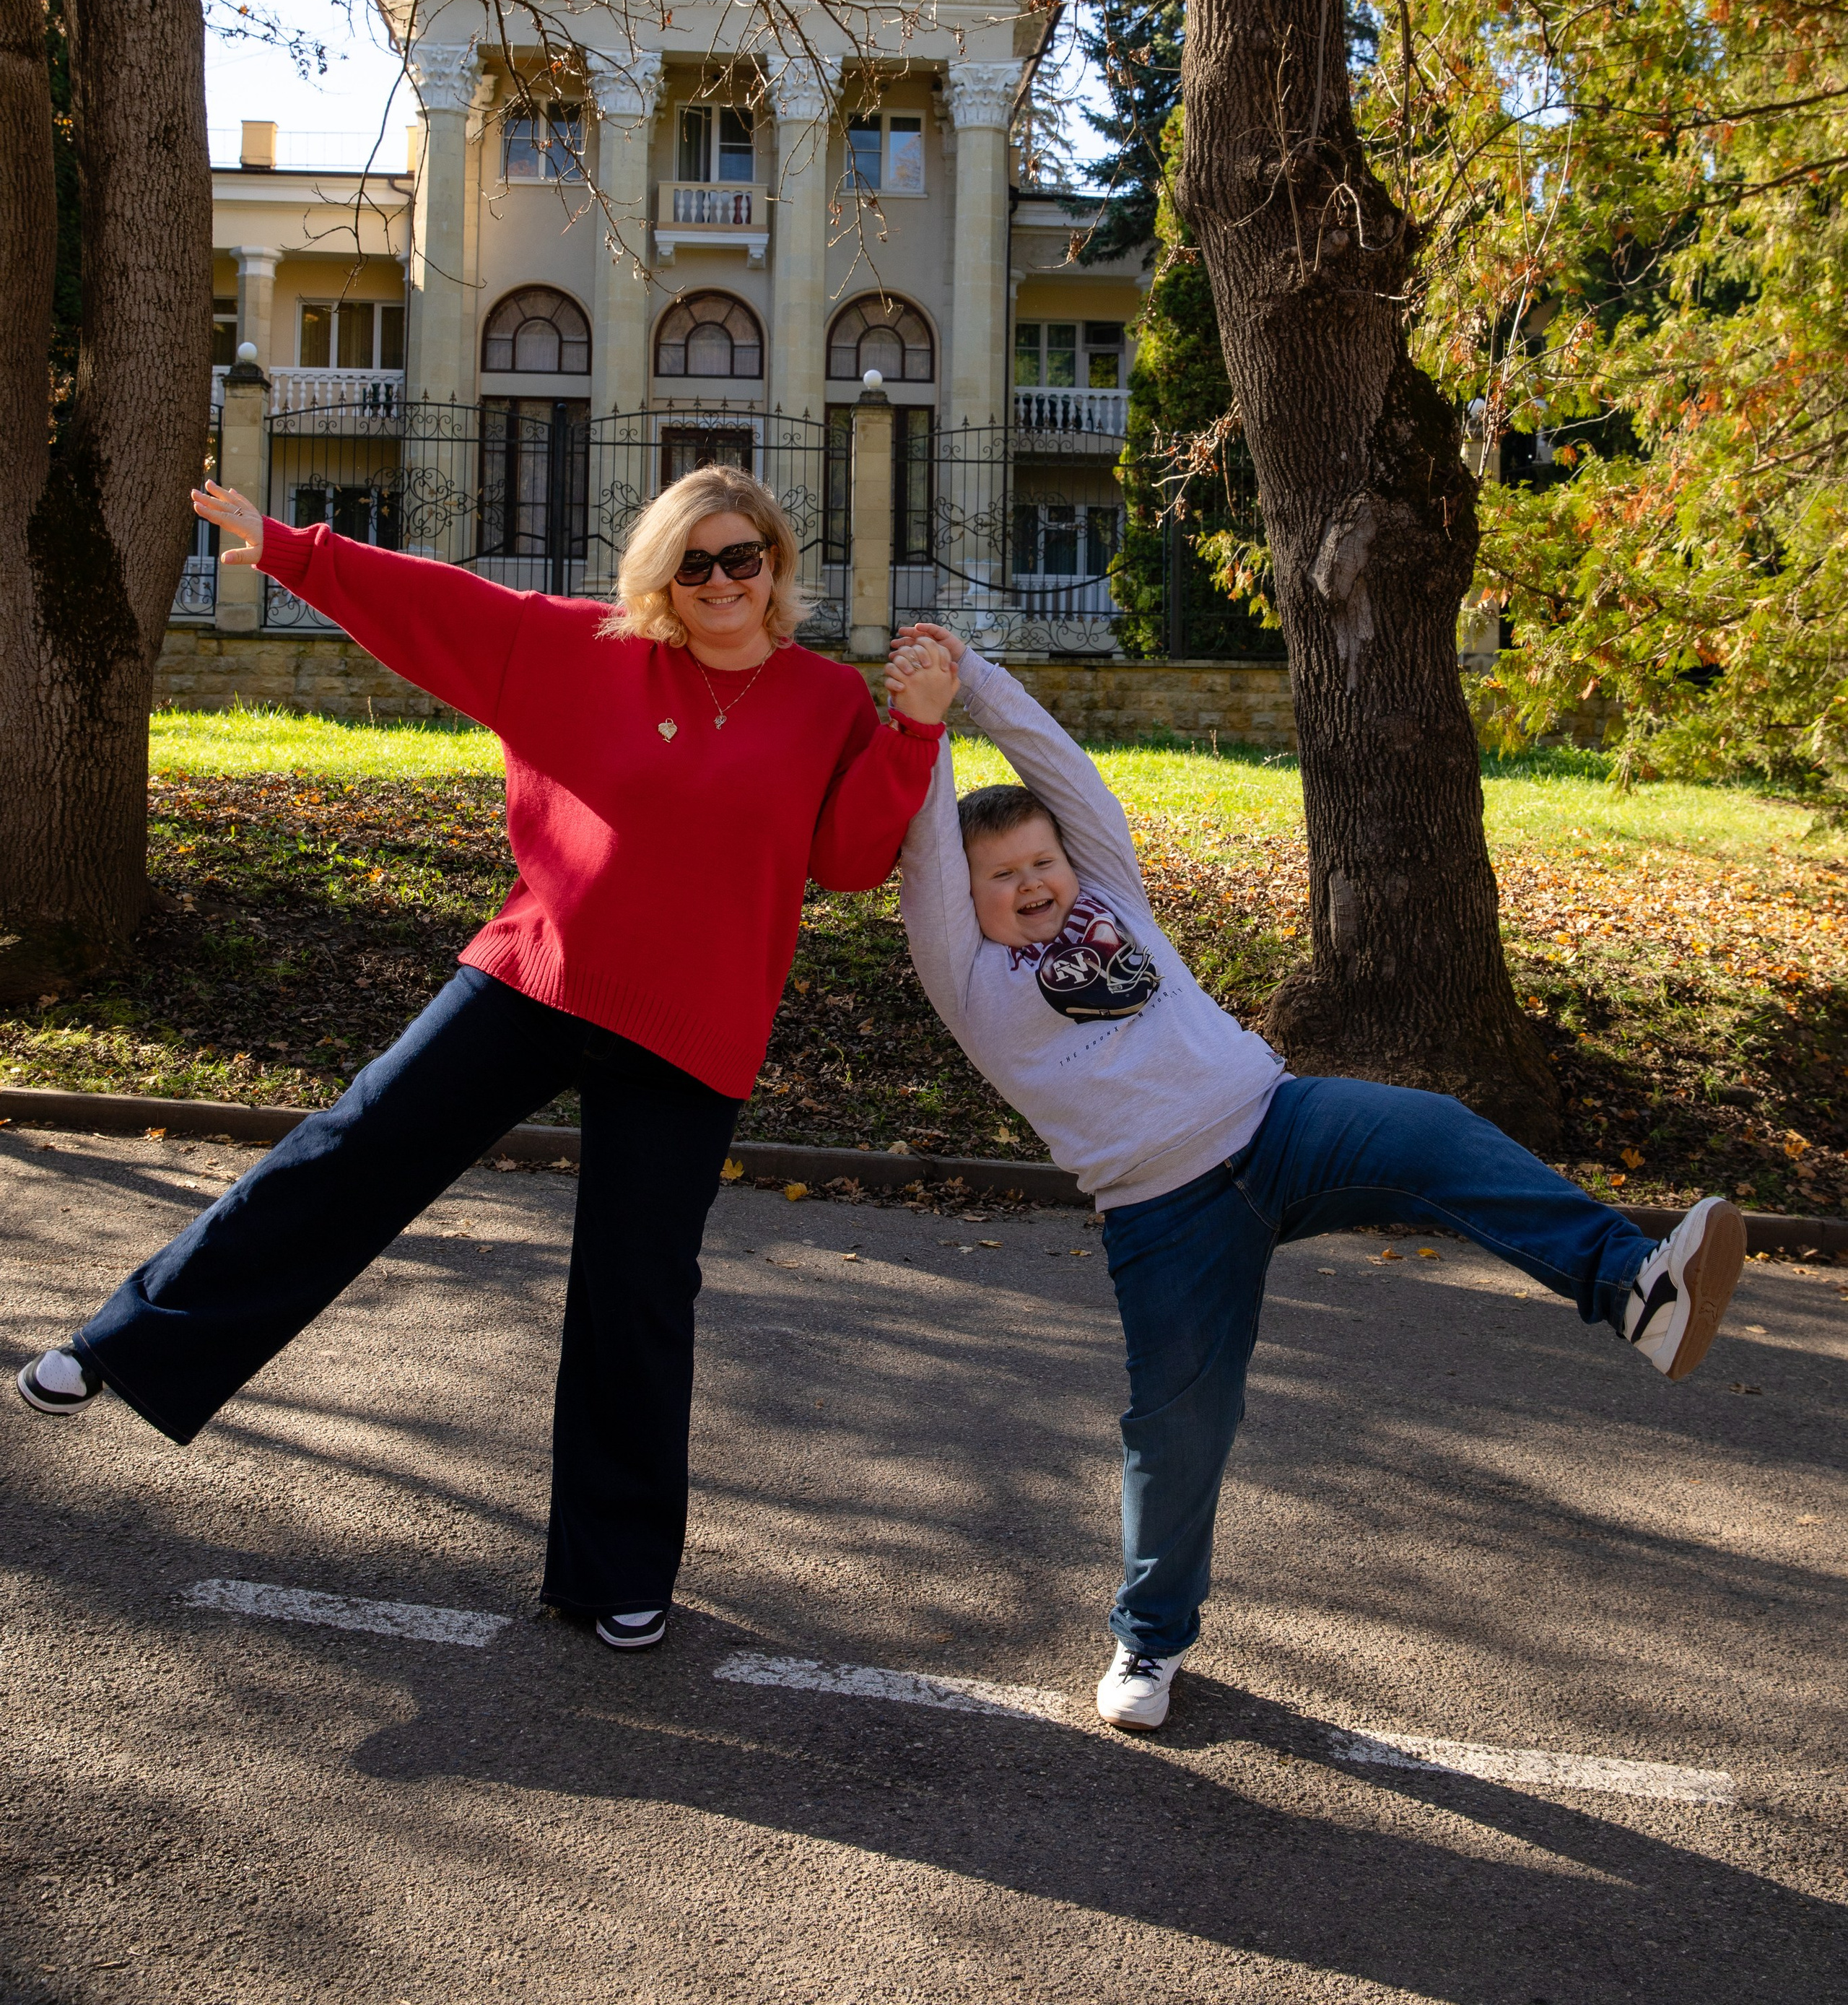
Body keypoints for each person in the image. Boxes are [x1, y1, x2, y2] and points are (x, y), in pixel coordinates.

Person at [17, 466, 943, 1654]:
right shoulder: (588, 651)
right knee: (352, 1148)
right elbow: (442, 607)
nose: (719, 583)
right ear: (663, 574)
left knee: (640, 1290)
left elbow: (853, 859)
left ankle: (616, 1568)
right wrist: (291, 551)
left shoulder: (823, 701)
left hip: (692, 1030)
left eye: (741, 558)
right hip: (541, 972)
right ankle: (121, 1343)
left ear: (776, 564)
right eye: (694, 563)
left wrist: (914, 728)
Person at [881, 623, 1747, 1732]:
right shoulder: (966, 972)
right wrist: (923, 720)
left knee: (1435, 1133)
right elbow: (926, 860)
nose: (1034, 881)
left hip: (1280, 1120)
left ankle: (1635, 1291)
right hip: (1162, 1212)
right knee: (1181, 1422)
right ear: (972, 897)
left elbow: (1067, 772)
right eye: (1004, 876)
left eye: (1044, 861)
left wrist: (981, 688)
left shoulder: (1115, 895)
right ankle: (1148, 1642)